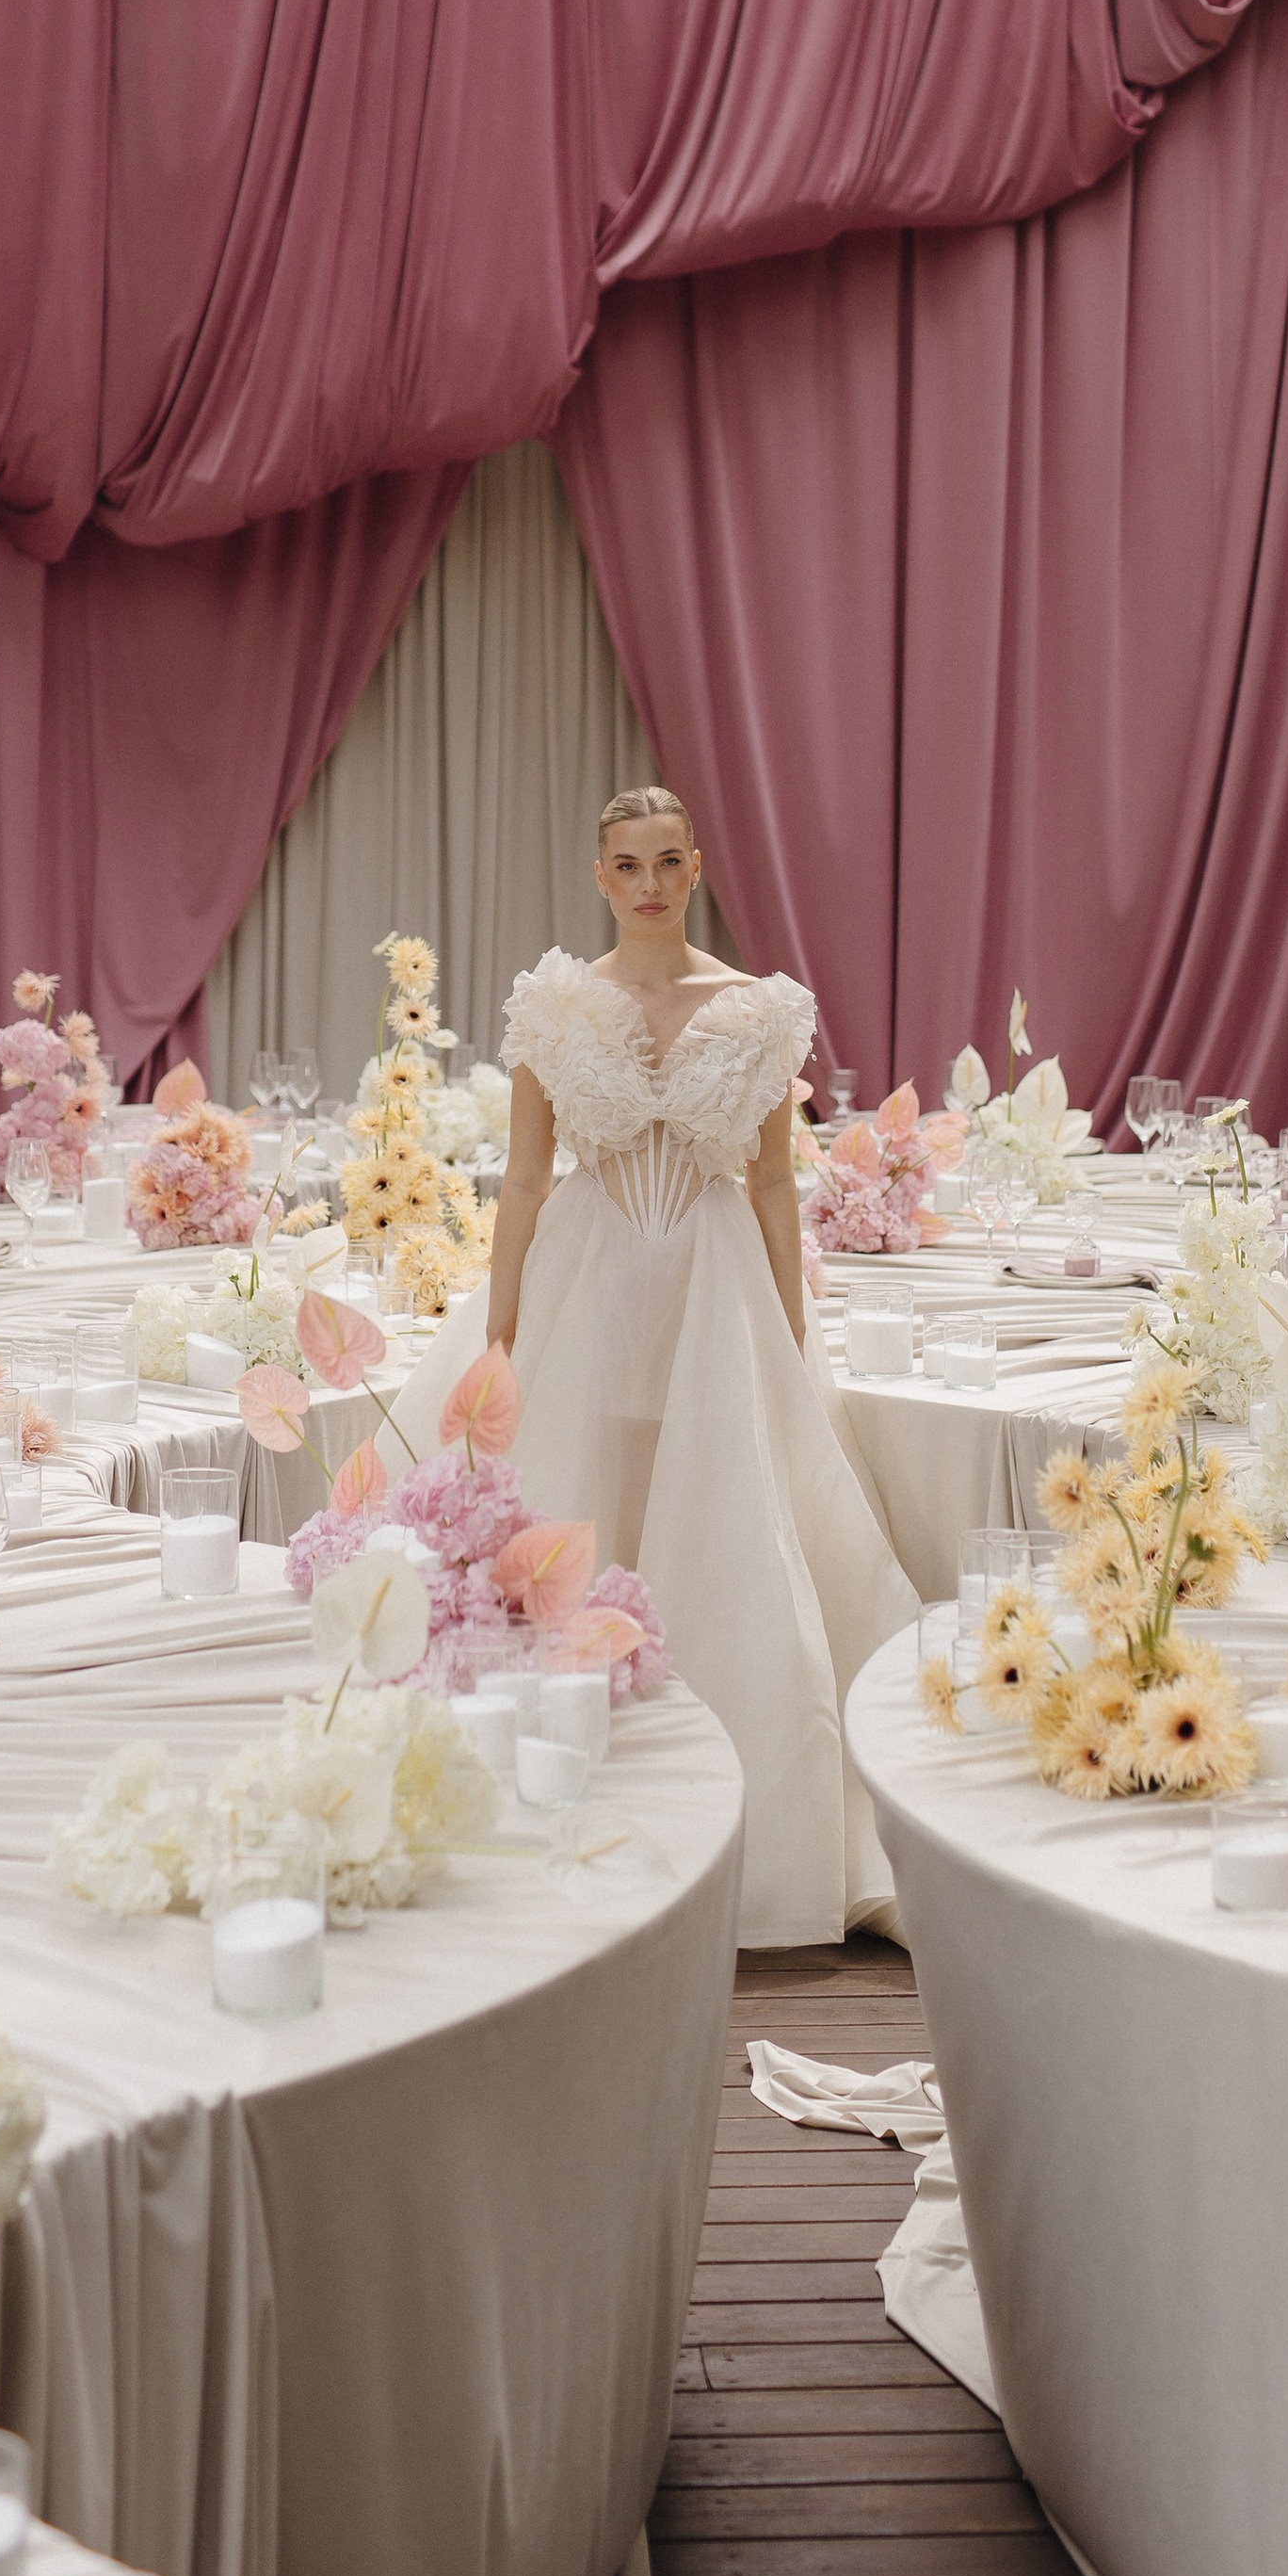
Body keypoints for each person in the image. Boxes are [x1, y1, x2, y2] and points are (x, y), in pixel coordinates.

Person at [394, 786, 916, 1946]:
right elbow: (524, 1179)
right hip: (587, 1276)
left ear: (691, 871)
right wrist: (505, 1327)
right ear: (598, 876)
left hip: (715, 1285)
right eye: (624, 863)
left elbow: (775, 1183)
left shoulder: (758, 1008)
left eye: (665, 862)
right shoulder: (557, 1006)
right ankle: (563, 1805)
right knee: (578, 1510)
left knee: (724, 1519)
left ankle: (744, 1830)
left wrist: (787, 1329)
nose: (644, 883)